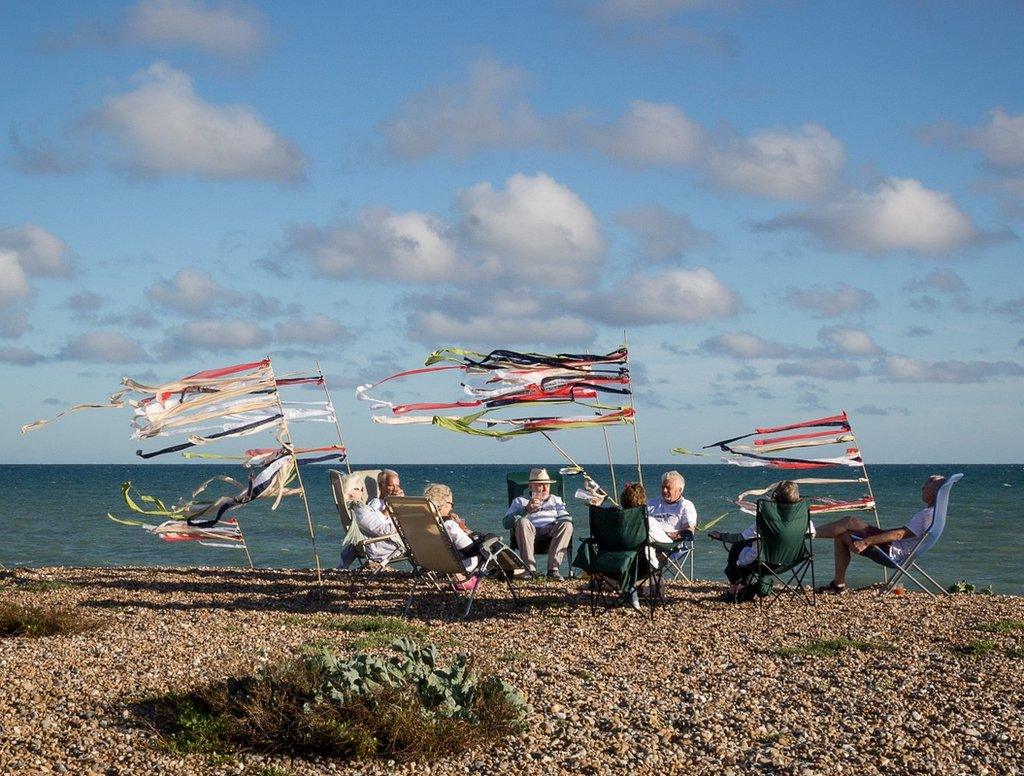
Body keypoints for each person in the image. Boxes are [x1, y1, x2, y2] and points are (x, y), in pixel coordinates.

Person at [812, 475, 947, 594]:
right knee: (850, 521)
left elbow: (900, 534)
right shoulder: (934, 512)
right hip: (896, 547)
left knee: (842, 535)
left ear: (936, 491)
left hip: (891, 552)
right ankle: (811, 532)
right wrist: (882, 533)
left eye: (927, 484)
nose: (922, 487)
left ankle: (837, 584)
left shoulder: (927, 515)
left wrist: (865, 542)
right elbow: (904, 533)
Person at [708, 480, 811, 600]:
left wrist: (719, 535)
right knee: (749, 547)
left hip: (764, 563)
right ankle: (746, 587)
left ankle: (732, 592)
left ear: (775, 497)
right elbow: (811, 533)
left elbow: (740, 537)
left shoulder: (767, 519)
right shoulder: (803, 518)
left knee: (737, 547)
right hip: (794, 560)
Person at [424, 482, 499, 591]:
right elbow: (468, 550)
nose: (451, 508)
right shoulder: (449, 525)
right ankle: (471, 578)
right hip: (459, 564)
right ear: (444, 504)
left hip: (431, 562)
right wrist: (483, 539)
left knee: (479, 537)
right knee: (490, 539)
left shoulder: (422, 523)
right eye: (451, 504)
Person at [504, 468, 573, 580]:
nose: (545, 488)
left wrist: (561, 520)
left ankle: (553, 570)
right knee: (523, 522)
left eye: (547, 485)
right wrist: (525, 509)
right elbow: (506, 524)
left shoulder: (556, 500)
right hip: (529, 533)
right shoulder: (520, 501)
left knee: (567, 524)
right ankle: (530, 570)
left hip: (551, 533)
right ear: (531, 486)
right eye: (541, 485)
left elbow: (566, 517)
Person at [340, 473, 404, 567]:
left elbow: (379, 522)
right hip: (386, 547)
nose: (362, 492)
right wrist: (405, 522)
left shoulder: (358, 508)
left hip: (384, 542)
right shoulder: (361, 509)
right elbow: (383, 530)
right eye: (361, 489)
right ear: (352, 493)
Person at [647, 471, 698, 541]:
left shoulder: (686, 506)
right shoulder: (651, 504)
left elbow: (689, 531)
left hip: (672, 545)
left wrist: (668, 535)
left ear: (680, 490)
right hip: (650, 543)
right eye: (663, 487)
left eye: (668, 488)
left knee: (650, 521)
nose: (664, 490)